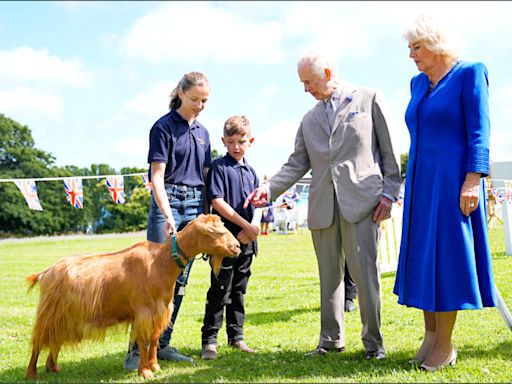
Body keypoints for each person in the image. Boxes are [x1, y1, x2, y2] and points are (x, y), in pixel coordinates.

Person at [244, 51, 401, 360]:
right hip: (323, 208)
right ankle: (330, 341)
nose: (305, 89)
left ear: (328, 73)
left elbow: (389, 152)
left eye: (308, 82)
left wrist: (390, 193)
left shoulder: (369, 99)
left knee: (365, 276)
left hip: (364, 204)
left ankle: (373, 345)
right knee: (329, 278)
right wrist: (269, 188)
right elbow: (296, 164)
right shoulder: (309, 118)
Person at [393, 14, 497, 372]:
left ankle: (445, 343)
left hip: (454, 183)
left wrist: (473, 180)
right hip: (422, 185)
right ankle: (430, 334)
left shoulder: (471, 73)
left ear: (436, 44)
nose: (411, 55)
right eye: (410, 48)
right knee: (423, 258)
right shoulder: (417, 84)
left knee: (447, 260)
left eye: (416, 47)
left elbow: (480, 132)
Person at [123, 71, 212, 370]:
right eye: (195, 99)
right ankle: (136, 351)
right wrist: (166, 213)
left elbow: (205, 176)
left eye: (204, 101)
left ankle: (161, 344)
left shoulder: (203, 133)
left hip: (195, 204)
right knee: (152, 280)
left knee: (180, 280)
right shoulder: (162, 127)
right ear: (181, 94)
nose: (199, 105)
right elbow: (156, 177)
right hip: (168, 201)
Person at [200, 115, 259, 360]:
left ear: (250, 141)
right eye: (231, 141)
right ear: (223, 141)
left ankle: (237, 337)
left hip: (247, 241)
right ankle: (209, 341)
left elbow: (259, 204)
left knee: (238, 290)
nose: (236, 146)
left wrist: (252, 229)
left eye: (241, 141)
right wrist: (244, 225)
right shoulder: (219, 168)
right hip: (224, 243)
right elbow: (217, 201)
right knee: (220, 289)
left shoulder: (252, 172)